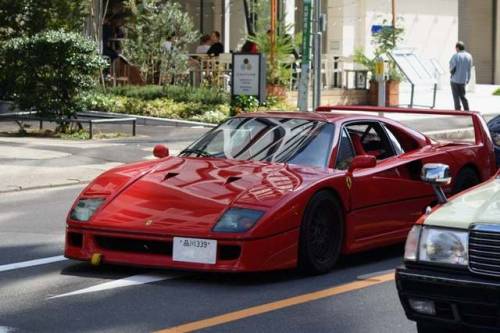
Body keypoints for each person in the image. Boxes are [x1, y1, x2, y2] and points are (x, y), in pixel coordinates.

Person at [449, 41, 473, 111]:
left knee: (456, 96)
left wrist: (451, 73)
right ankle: (466, 109)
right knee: (463, 96)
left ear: (457, 48)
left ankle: (457, 110)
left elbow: (452, 67)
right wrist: (468, 79)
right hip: (463, 80)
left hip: (455, 80)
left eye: (456, 48)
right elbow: (469, 69)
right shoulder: (469, 56)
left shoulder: (455, 56)